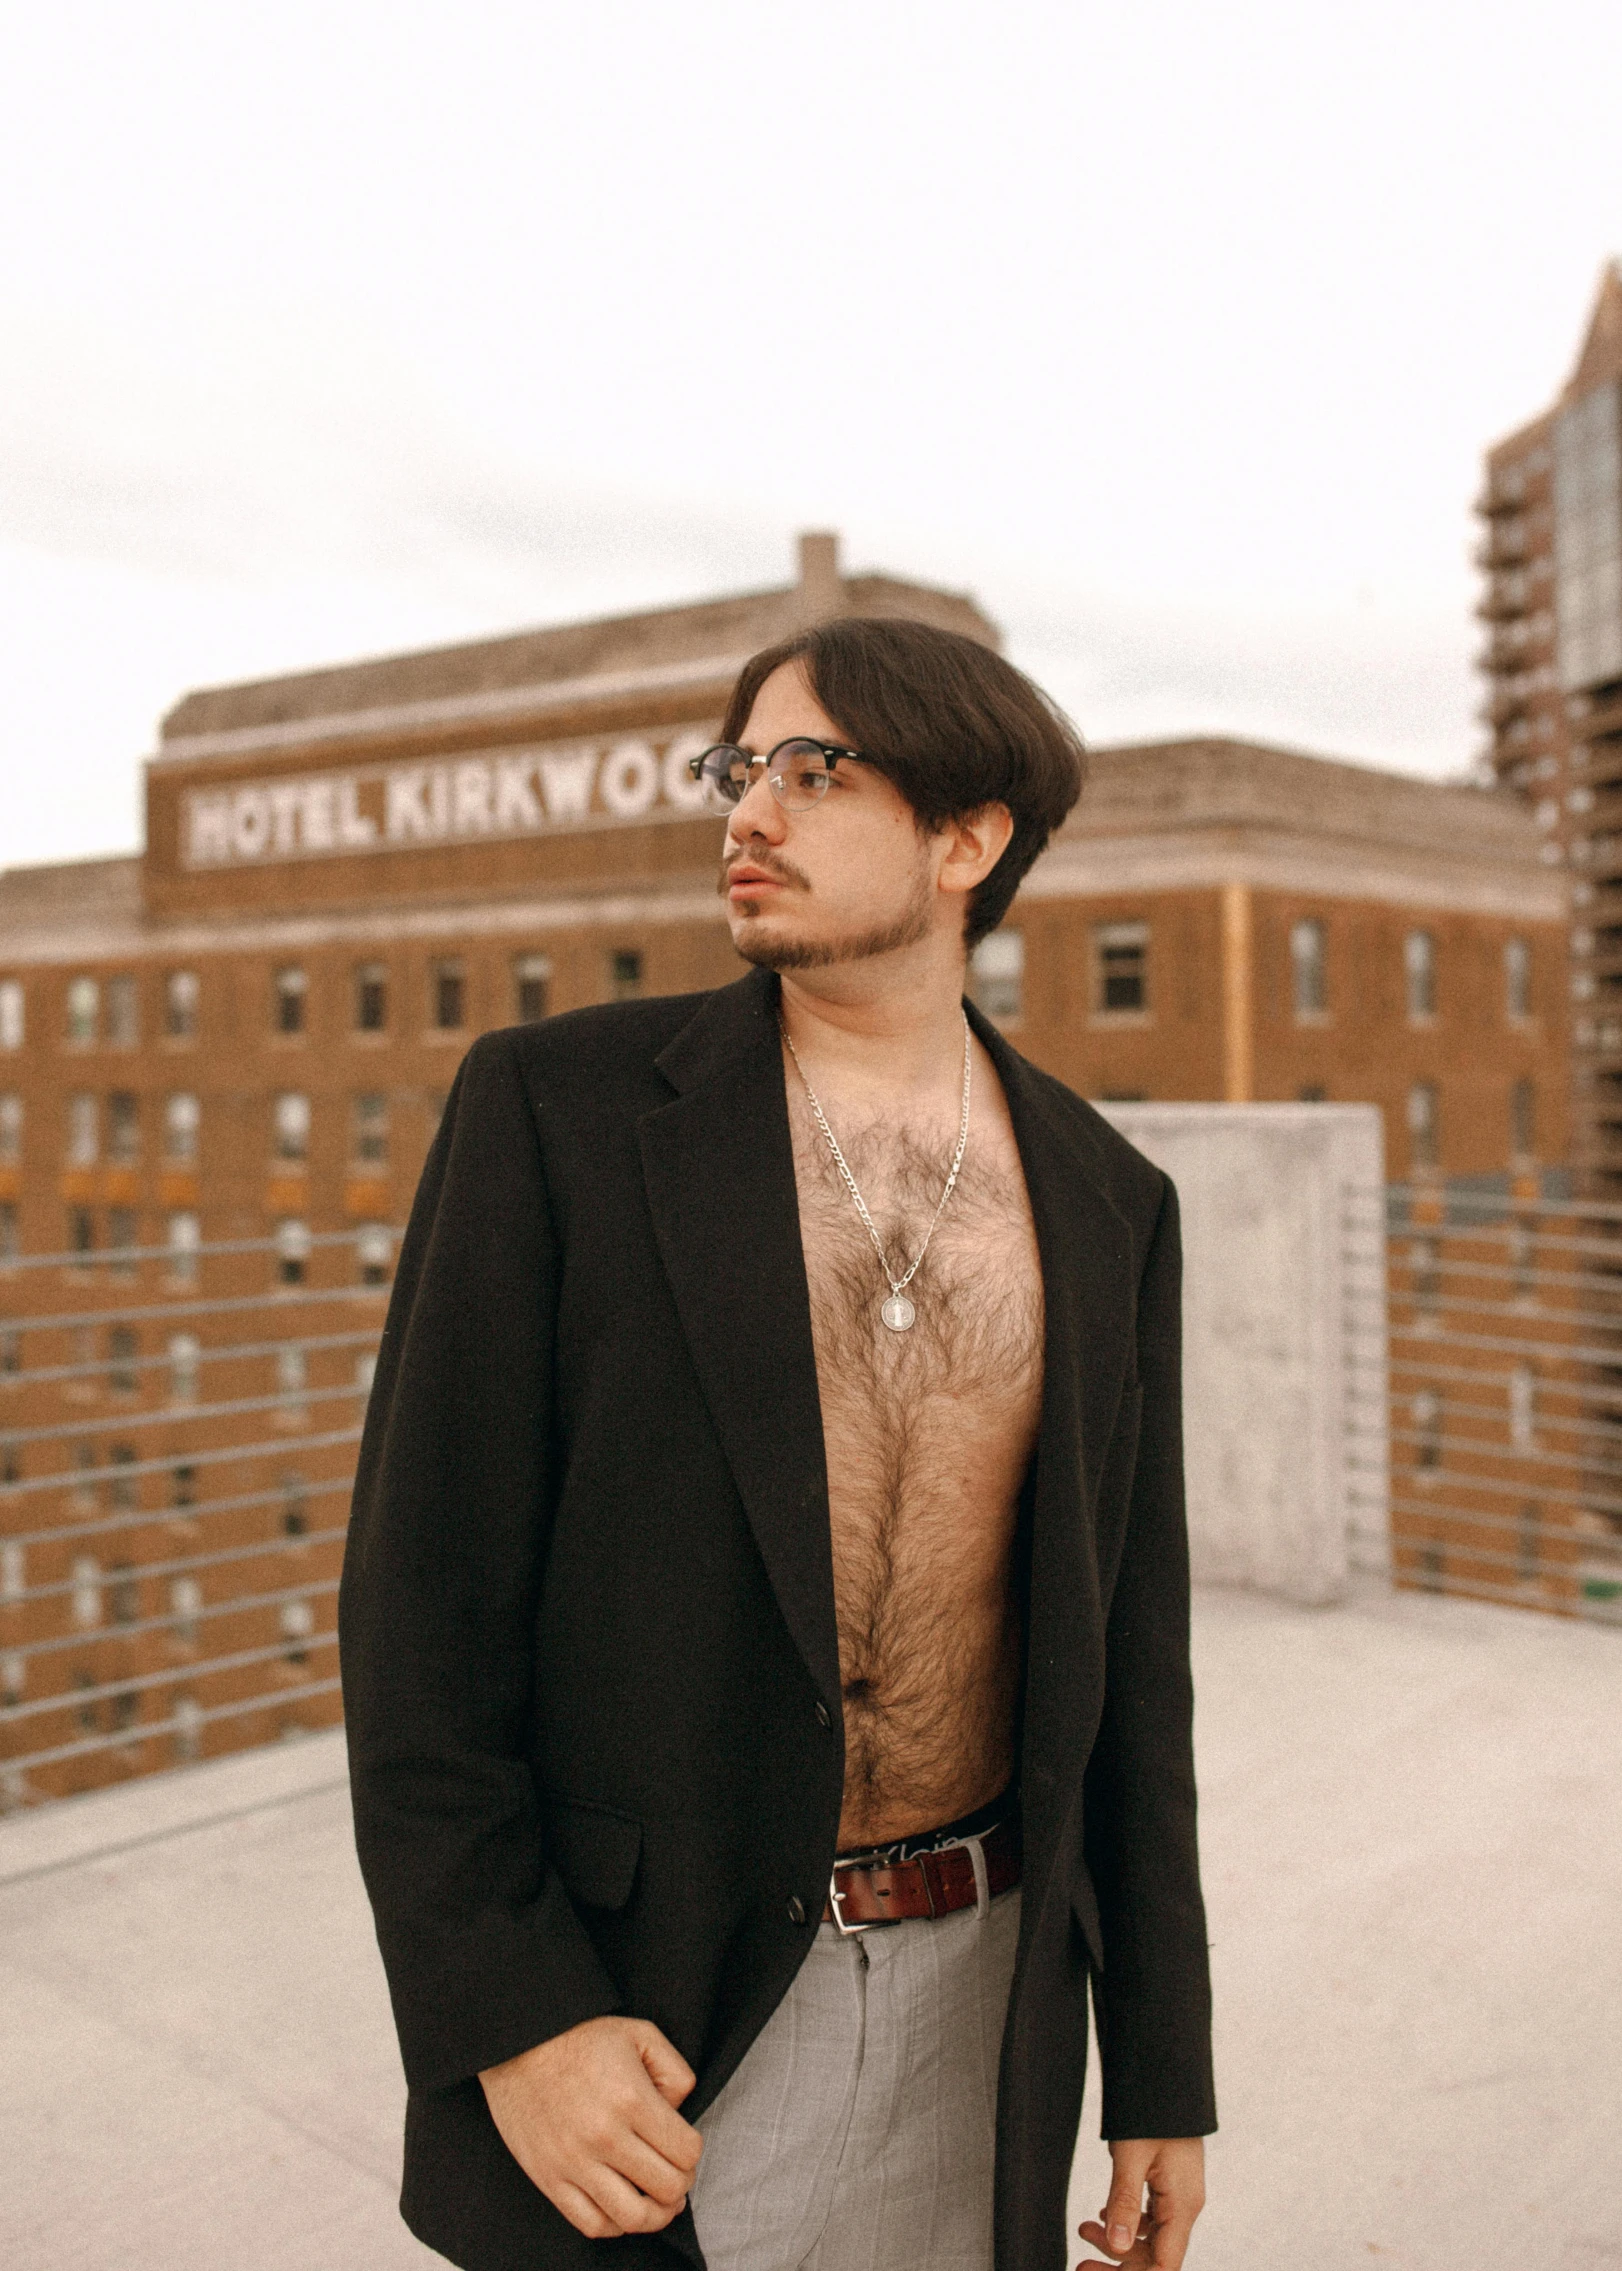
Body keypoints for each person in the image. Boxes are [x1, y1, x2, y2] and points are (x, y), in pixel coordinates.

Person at [339, 614, 1215, 2271]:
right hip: (653, 2012)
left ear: (967, 839)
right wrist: (516, 2017)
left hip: (987, 1987)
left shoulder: (1108, 1200)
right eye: (738, 768)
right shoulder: (560, 1113)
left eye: (816, 772)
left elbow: (1131, 1668)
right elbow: (419, 1613)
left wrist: (1161, 2064)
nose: (749, 812)